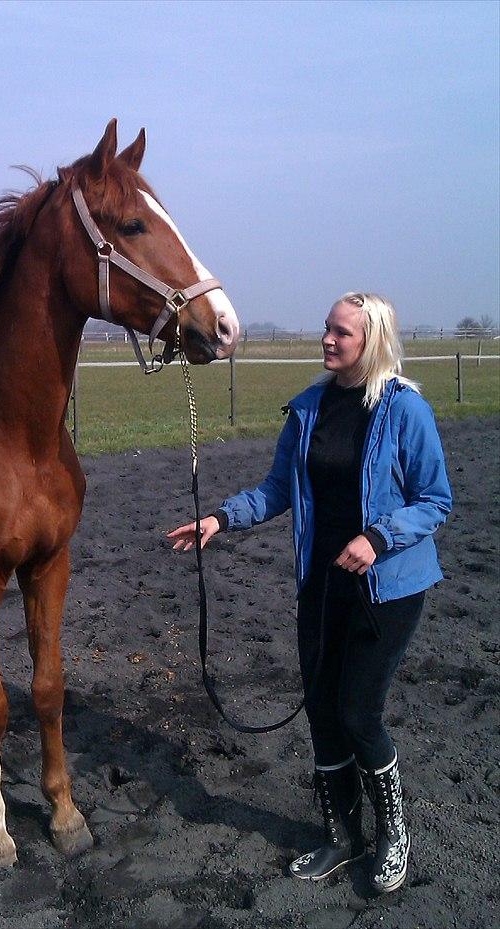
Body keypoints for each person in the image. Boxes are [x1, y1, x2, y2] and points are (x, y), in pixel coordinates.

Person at [167, 293, 452, 894]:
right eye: (326, 329)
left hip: (388, 589)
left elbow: (435, 501)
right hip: (321, 586)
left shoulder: (404, 410)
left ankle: (391, 831)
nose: (327, 340)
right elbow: (278, 488)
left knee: (357, 713)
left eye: (340, 333)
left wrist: (378, 537)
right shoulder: (310, 409)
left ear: (369, 341)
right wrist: (221, 518)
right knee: (323, 716)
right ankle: (340, 836)